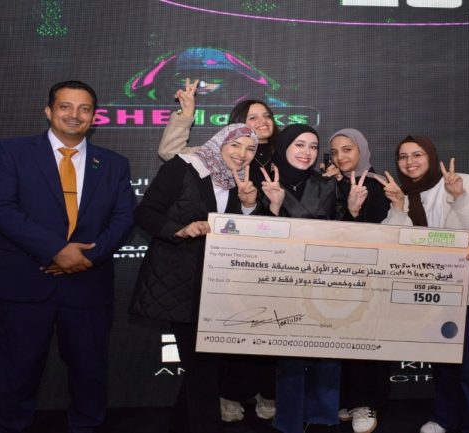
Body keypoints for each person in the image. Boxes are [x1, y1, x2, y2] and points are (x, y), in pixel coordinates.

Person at [0, 80, 136, 433]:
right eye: (65, 106)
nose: (74, 115)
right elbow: (0, 207)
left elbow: (124, 218)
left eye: (84, 108)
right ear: (49, 111)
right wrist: (57, 250)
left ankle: (86, 426)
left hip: (88, 283)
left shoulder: (113, 164)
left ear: (94, 117)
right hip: (23, 282)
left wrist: (86, 258)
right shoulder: (13, 151)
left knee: (89, 372)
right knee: (15, 371)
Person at [156, 78, 278, 422]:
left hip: (247, 274)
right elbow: (172, 155)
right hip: (196, 276)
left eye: (266, 116)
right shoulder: (204, 161)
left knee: (219, 361)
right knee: (203, 367)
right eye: (251, 118)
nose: (261, 123)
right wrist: (186, 115)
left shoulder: (281, 159)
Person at [129, 124, 260, 433]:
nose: (242, 154)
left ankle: (180, 425)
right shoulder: (185, 166)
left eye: (250, 149)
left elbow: (245, 234)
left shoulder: (241, 181)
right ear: (220, 143)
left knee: (204, 366)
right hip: (178, 284)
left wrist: (249, 205)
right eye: (236, 145)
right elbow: (145, 213)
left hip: (218, 285)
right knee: (203, 366)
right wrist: (180, 229)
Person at [377, 135, 469, 433]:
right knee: (442, 362)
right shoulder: (403, 194)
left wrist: (459, 196)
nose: (410, 162)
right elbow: (392, 244)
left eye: (417, 154)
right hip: (430, 294)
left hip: (468, 292)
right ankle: (444, 416)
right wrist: (398, 207)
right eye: (403, 157)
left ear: (431, 156)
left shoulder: (461, 182)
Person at [259, 124, 359, 433]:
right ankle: (288, 422)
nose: (307, 152)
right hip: (281, 282)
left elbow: (344, 235)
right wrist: (274, 208)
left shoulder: (327, 185)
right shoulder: (263, 182)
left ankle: (322, 419)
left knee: (327, 355)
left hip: (324, 283)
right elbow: (252, 239)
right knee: (289, 359)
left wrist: (353, 212)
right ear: (284, 146)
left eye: (313, 146)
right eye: (299, 145)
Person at [323, 128, 391, 433]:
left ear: (361, 150)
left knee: (368, 342)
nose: (340, 157)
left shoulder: (378, 185)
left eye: (347, 149)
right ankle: (350, 399)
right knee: (344, 342)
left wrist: (354, 212)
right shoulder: (332, 183)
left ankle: (366, 402)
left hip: (372, 279)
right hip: (336, 280)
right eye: (335, 152)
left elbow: (381, 235)